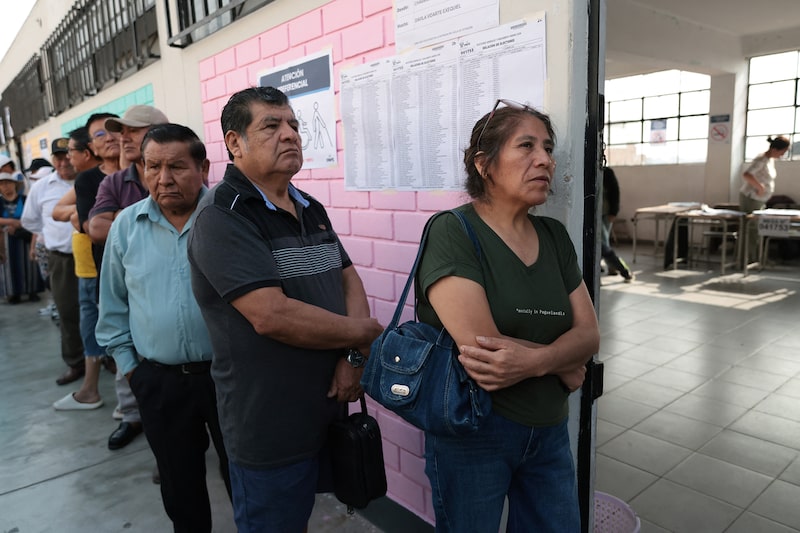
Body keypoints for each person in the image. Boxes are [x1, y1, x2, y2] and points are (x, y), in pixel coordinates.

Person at [187, 86, 383, 532]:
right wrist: (363, 336)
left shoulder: (308, 206)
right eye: (271, 126)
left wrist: (353, 358)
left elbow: (347, 277)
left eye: (293, 124)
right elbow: (271, 315)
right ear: (234, 143)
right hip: (269, 427)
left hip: (326, 411)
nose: (290, 134)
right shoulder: (223, 216)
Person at [414, 100, 600, 531]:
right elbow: (487, 356)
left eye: (549, 149)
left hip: (550, 429)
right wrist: (564, 362)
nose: (545, 160)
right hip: (475, 431)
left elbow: (590, 335)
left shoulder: (554, 237)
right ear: (485, 165)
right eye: (527, 146)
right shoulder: (452, 232)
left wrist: (541, 361)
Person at [96, 123, 230, 532]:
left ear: (203, 167)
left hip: (229, 378)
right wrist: (132, 368)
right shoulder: (125, 226)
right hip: (159, 381)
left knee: (245, 475)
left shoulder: (230, 220)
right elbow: (113, 305)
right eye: (152, 167)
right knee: (179, 485)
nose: (163, 179)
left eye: (176, 166)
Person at [88, 104, 168, 450]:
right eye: (121, 131)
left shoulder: (181, 169)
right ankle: (134, 419)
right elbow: (96, 227)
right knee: (130, 368)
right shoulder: (115, 181)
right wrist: (145, 216)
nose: (123, 137)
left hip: (171, 291)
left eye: (133, 130)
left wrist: (121, 220)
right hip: (132, 290)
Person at [52, 122, 118, 410]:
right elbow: (68, 214)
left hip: (100, 268)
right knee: (95, 327)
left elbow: (91, 223)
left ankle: (107, 394)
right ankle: (100, 391)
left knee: (105, 327)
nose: (68, 158)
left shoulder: (119, 177)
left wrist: (86, 216)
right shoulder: (88, 181)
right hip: (90, 265)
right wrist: (78, 214)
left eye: (72, 152)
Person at [21, 138, 85, 386]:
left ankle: (105, 357)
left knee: (99, 308)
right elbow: (30, 221)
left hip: (92, 254)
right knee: (68, 311)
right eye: (57, 157)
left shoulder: (88, 181)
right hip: (62, 259)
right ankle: (75, 361)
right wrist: (51, 235)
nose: (63, 161)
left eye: (66, 155)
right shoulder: (42, 187)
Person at [740, 135, 791, 263]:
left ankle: (756, 258)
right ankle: (748, 259)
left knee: (757, 230)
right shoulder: (761, 159)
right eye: (782, 152)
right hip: (751, 198)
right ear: (775, 149)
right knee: (751, 230)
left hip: (759, 199)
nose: (782, 155)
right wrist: (759, 186)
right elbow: (747, 174)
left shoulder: (770, 159)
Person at [0, 172, 39, 303]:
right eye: (2, 184)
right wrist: (10, 222)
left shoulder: (24, 198)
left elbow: (33, 215)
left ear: (14, 185)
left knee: (29, 263)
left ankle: (32, 290)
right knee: (9, 265)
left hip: (25, 234)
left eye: (8, 183)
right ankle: (13, 293)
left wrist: (19, 224)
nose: (5, 186)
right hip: (7, 238)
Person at [600, 166, 633, 281]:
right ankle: (621, 269)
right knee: (603, 244)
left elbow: (615, 192)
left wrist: (614, 212)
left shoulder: (607, 172)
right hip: (594, 214)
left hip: (605, 213)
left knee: (603, 243)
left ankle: (616, 268)